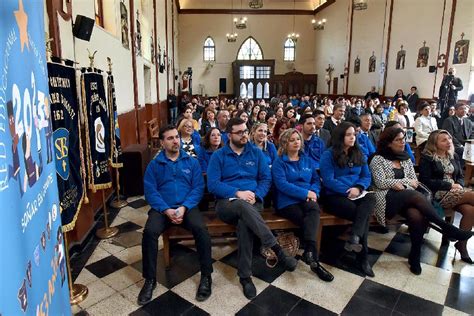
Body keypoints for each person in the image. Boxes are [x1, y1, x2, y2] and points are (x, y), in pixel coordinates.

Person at [207, 118, 297, 299]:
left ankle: (245, 277)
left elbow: (265, 180)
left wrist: (255, 195)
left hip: (253, 201)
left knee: (244, 223)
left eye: (245, 131)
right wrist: (237, 192)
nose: (244, 135)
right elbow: (213, 184)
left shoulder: (256, 153)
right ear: (229, 135)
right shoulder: (219, 156)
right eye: (239, 132)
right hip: (227, 203)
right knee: (241, 206)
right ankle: (277, 249)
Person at [370, 127, 472, 274]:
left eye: (403, 139)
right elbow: (380, 183)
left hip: (407, 197)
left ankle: (415, 255)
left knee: (416, 214)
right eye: (398, 140)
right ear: (388, 143)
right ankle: (446, 227)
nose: (402, 142)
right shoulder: (378, 158)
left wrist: (402, 183)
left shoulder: (405, 158)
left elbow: (414, 181)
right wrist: (399, 183)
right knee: (414, 196)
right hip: (387, 197)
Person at [140, 126, 213, 305]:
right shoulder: (155, 165)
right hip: (162, 209)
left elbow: (197, 188)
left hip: (186, 208)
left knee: (202, 230)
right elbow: (150, 191)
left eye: (177, 137)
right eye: (170, 138)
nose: (175, 141)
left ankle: (206, 276)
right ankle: (149, 280)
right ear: (162, 142)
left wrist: (184, 208)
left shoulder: (191, 162)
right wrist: (166, 210)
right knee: (149, 233)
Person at [272, 129, 334, 282]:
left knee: (314, 209)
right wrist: (306, 193)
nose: (296, 142)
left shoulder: (306, 159)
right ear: (285, 143)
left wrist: (313, 191)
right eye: (292, 140)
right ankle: (314, 259)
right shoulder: (279, 162)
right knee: (307, 219)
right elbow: (282, 185)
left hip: (307, 199)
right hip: (286, 202)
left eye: (298, 139)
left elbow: (315, 180)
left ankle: (310, 254)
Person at [319, 122, 376, 277]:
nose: (353, 137)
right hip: (334, 196)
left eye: (354, 134)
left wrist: (358, 188)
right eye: (349, 134)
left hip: (357, 193)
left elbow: (366, 176)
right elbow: (328, 180)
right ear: (340, 136)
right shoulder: (328, 154)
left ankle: (355, 237)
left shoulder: (359, 153)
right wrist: (348, 190)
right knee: (361, 215)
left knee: (370, 200)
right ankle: (362, 258)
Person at [419, 130, 474, 263]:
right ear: (434, 143)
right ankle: (457, 239)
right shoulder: (427, 157)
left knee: (471, 211)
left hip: (456, 192)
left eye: (449, 138)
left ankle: (461, 245)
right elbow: (425, 181)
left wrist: (459, 185)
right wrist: (449, 186)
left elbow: (460, 176)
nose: (449, 141)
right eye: (443, 140)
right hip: (437, 194)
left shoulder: (453, 155)